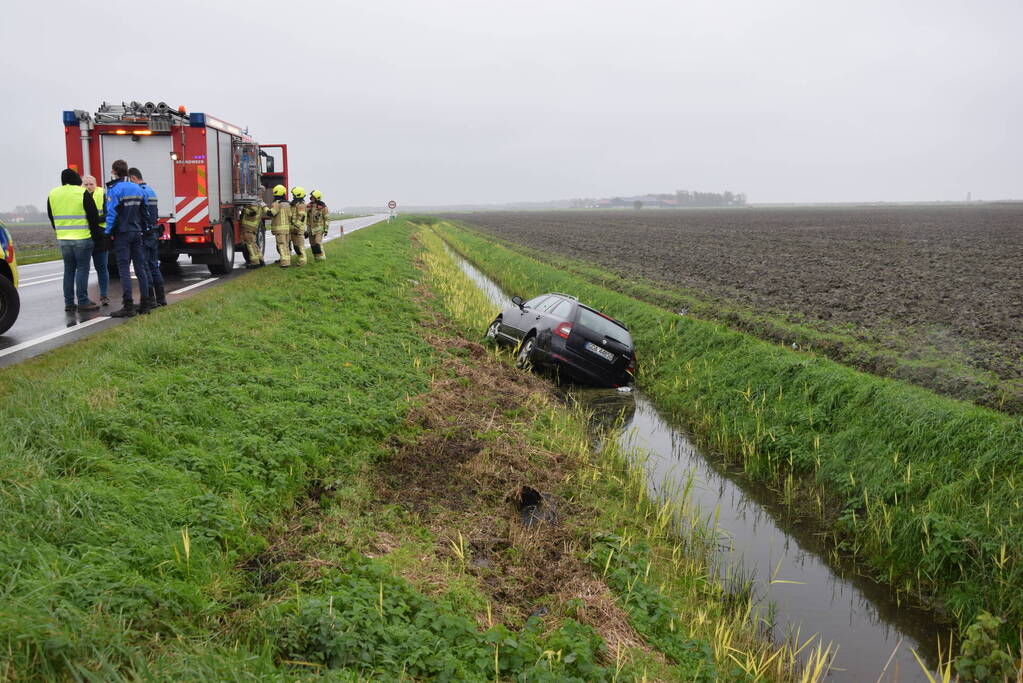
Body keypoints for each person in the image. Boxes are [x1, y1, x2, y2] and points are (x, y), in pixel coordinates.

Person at [105, 159, 152, 317]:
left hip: (122, 233)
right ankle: (145, 303)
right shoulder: (137, 188)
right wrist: (145, 228)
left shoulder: (114, 189)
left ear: (114, 171)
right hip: (137, 232)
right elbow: (145, 211)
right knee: (140, 268)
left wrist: (107, 232)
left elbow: (112, 213)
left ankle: (128, 305)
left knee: (124, 268)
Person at [47, 168, 99, 312]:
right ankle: (83, 301)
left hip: (63, 239)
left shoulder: (53, 194)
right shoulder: (82, 192)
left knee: (68, 270)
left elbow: (51, 216)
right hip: (82, 238)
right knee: (82, 269)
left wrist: (59, 230)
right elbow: (93, 216)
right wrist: (95, 237)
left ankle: (69, 303)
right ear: (76, 179)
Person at [128, 168, 166, 307]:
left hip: (145, 234)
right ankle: (161, 298)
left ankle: (150, 299)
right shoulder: (151, 191)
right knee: (154, 266)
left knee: (144, 267)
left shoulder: (140, 192)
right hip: (154, 233)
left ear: (132, 178)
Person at [82, 175, 110, 306]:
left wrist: (94, 220)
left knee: (102, 267)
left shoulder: (102, 194)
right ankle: (83, 298)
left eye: (91, 184)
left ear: (96, 184)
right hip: (85, 235)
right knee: (83, 269)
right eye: (86, 184)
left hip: (100, 235)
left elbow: (107, 213)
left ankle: (104, 295)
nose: (88, 187)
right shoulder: (79, 195)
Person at [266, 184, 294, 267]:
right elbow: (290, 216)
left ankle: (285, 263)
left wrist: (264, 207)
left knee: (281, 245)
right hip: (287, 229)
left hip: (279, 229)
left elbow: (271, 213)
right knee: (286, 245)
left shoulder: (277, 203)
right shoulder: (288, 204)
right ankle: (287, 260)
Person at [239, 202, 266, 268]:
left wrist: (243, 209)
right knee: (254, 244)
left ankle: (255, 263)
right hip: (252, 227)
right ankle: (260, 260)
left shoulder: (254, 203)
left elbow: (253, 212)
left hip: (249, 227)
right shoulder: (258, 203)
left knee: (250, 245)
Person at [307, 189, 329, 261]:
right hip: (310, 230)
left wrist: (326, 229)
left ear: (317, 197)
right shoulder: (309, 206)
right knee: (313, 245)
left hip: (319, 230)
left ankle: (322, 259)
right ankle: (316, 259)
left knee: (317, 243)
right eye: (311, 197)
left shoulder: (323, 207)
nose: (311, 198)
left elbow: (327, 219)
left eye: (313, 197)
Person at [288, 187, 308, 266]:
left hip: (298, 230)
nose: (293, 196)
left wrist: (296, 227)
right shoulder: (295, 204)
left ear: (298, 194)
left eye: (293, 195)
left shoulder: (301, 205)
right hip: (294, 229)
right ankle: (300, 260)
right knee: (296, 247)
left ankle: (302, 262)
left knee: (300, 247)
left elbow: (301, 217)